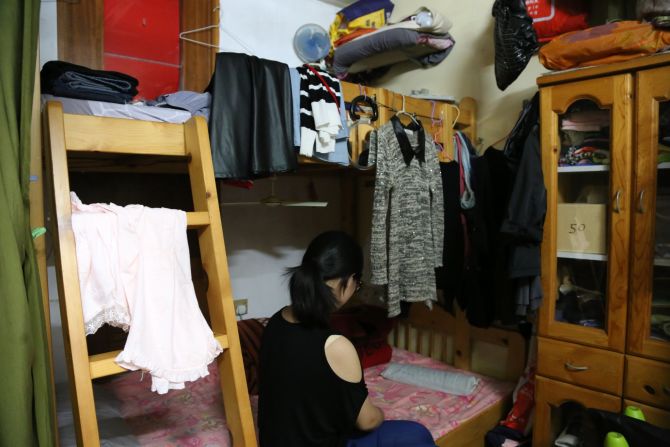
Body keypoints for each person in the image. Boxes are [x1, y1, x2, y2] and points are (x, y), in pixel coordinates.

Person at [258, 231, 436, 447]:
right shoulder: (336, 345)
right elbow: (367, 421)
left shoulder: (275, 322)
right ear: (349, 280)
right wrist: (380, 413)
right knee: (416, 435)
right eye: (357, 284)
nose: (355, 290)